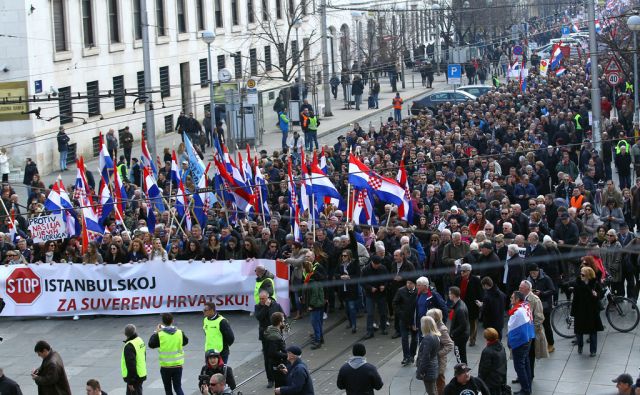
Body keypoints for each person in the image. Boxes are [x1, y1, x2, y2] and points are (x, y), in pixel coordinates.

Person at [148, 313, 189, 395]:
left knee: (168, 389)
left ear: (163, 322)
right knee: (178, 387)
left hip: (165, 367)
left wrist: (156, 331)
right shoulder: (180, 332)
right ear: (172, 321)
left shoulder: (160, 334)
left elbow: (151, 344)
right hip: (177, 365)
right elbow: (185, 342)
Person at [571, 266, 604, 356]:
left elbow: (600, 295)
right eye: (581, 274)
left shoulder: (595, 284)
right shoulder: (577, 284)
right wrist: (573, 312)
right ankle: (580, 346)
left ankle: (593, 350)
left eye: (583, 274)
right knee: (579, 331)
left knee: (593, 332)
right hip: (580, 310)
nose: (581, 276)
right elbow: (575, 299)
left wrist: (596, 295)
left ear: (588, 275)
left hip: (591, 311)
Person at [507, 291, 535, 395]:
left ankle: (525, 390)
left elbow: (511, 328)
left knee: (519, 366)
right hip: (529, 337)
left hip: (521, 341)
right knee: (526, 363)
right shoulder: (525, 305)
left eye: (512, 298)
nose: (510, 299)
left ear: (517, 300)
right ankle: (527, 388)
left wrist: (510, 342)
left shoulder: (517, 312)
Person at [255, 290, 284, 388]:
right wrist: (265, 307)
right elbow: (259, 317)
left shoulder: (276, 305)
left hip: (277, 335)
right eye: (260, 299)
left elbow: (282, 316)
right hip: (266, 336)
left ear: (268, 298)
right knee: (267, 358)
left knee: (279, 355)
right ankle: (270, 379)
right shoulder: (258, 306)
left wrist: (284, 326)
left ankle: (280, 375)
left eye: (263, 299)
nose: (261, 300)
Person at [527, 264, 556, 353]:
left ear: (538, 271)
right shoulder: (529, 279)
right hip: (533, 306)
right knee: (535, 326)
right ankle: (536, 344)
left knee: (546, 326)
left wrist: (542, 293)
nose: (533, 274)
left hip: (545, 306)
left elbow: (552, 290)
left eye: (534, 272)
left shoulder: (546, 278)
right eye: (531, 273)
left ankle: (551, 344)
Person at [453, 263, 483, 346]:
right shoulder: (457, 279)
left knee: (473, 322)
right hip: (460, 304)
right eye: (461, 271)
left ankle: (472, 338)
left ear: (469, 271)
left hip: (472, 305)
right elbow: (454, 291)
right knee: (460, 321)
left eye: (464, 271)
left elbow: (480, 292)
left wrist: (480, 302)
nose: (462, 272)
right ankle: (460, 337)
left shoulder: (475, 280)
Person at [362, 255, 389, 339]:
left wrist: (384, 286)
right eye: (375, 264)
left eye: (378, 264)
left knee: (383, 312)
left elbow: (387, 279)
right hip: (370, 295)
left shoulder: (383, 268)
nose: (377, 266)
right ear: (372, 262)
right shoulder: (366, 270)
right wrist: (370, 288)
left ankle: (383, 328)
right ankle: (369, 331)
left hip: (381, 294)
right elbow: (362, 282)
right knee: (370, 313)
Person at [393, 278, 418, 365]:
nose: (408, 285)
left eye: (410, 283)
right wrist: (400, 313)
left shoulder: (418, 291)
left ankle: (412, 355)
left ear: (414, 284)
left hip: (414, 319)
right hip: (403, 319)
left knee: (415, 339)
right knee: (404, 338)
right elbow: (395, 303)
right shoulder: (401, 291)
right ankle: (406, 357)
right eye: (407, 283)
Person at [478, 328, 507, 395]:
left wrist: (479, 381)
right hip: (500, 379)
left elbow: (484, 369)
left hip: (491, 382)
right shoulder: (501, 347)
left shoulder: (487, 351)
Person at [416, 316, 441, 395]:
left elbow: (425, 357)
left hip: (428, 370)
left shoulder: (428, 338)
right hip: (433, 367)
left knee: (431, 391)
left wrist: (421, 371)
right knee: (433, 389)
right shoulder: (435, 336)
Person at [263, 312, 288, 388]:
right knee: (281, 385)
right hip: (278, 364)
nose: (284, 322)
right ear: (279, 322)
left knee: (279, 385)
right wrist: (287, 355)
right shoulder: (274, 336)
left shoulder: (271, 329)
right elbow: (273, 352)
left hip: (274, 363)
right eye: (283, 321)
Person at [121, 324, 147, 395]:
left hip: (135, 377)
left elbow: (131, 365)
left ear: (125, 334)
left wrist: (130, 382)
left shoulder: (129, 345)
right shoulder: (140, 340)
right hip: (141, 373)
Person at [448, 286, 470, 364]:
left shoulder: (460, 309)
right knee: (461, 354)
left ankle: (463, 371)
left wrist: (453, 333)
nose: (449, 295)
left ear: (453, 295)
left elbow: (463, 325)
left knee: (459, 355)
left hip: (460, 337)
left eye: (450, 294)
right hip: (462, 336)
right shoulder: (460, 304)